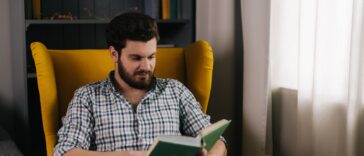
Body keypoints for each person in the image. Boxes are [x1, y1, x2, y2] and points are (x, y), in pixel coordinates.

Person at [53, 12, 227, 156]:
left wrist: (211, 153)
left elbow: (218, 141)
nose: (146, 67)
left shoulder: (175, 91)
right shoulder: (87, 97)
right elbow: (65, 151)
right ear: (114, 54)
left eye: (151, 57)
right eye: (136, 58)